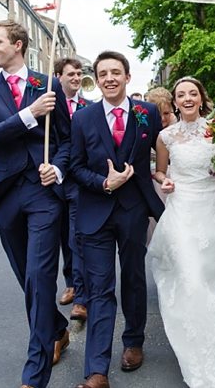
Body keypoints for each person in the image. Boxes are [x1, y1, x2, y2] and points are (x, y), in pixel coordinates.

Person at [0, 19, 72, 388]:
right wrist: (30, 115)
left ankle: (36, 371)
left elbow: (67, 141)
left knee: (40, 276)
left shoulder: (48, 85)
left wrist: (57, 169)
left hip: (43, 194)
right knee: (25, 276)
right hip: (6, 192)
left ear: (18, 44)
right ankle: (57, 328)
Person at [149, 77, 215, 388]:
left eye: (192, 93)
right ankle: (197, 346)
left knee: (214, 278)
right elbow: (160, 169)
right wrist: (163, 181)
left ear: (201, 98)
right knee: (192, 278)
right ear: (174, 101)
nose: (186, 98)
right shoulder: (166, 136)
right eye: (181, 94)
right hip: (183, 209)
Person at [69, 51, 164, 388]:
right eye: (102, 73)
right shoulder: (83, 118)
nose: (109, 78)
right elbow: (75, 166)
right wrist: (104, 183)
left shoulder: (147, 113)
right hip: (95, 211)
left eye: (115, 72)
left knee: (134, 279)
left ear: (127, 77)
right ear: (96, 79)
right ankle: (96, 370)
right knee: (99, 289)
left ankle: (134, 341)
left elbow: (162, 150)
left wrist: (169, 176)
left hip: (134, 209)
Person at [55, 57, 90, 322]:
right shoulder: (49, 106)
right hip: (53, 182)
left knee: (76, 236)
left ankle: (81, 297)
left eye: (79, 74)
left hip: (77, 182)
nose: (76, 78)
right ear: (59, 77)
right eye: (71, 74)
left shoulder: (88, 108)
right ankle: (71, 282)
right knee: (62, 236)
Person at [143, 86, 176, 245]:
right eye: (158, 113)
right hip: (154, 183)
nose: (163, 118)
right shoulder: (143, 126)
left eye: (166, 113)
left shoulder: (178, 128)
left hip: (176, 181)